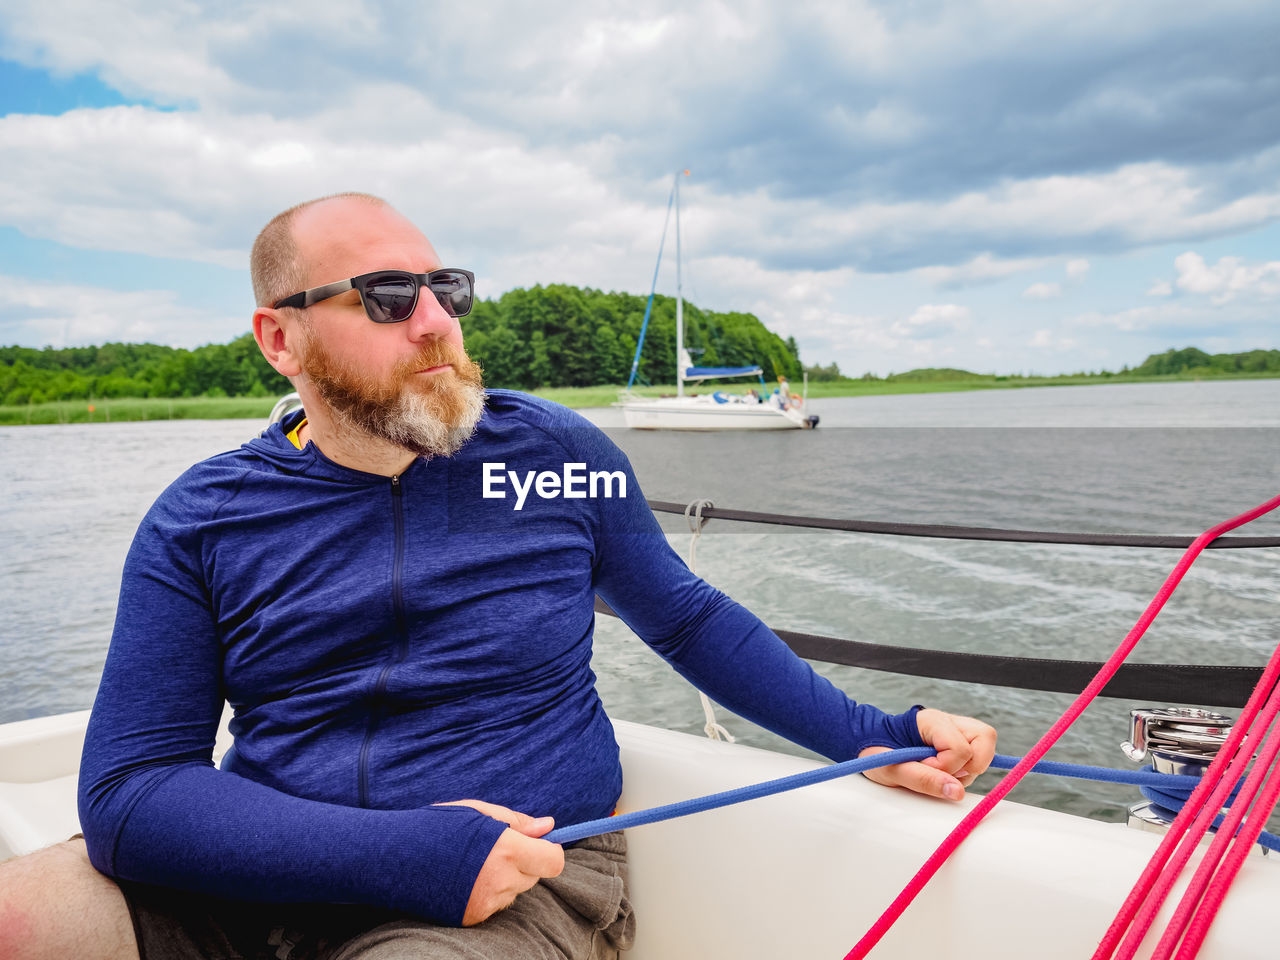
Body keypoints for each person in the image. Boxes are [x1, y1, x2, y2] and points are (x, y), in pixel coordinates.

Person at [0, 193, 996, 960]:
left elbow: (687, 623)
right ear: (280, 339)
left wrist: (871, 737)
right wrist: (389, 851)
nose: (434, 321)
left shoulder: (557, 455)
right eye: (388, 298)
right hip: (268, 871)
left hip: (520, 878)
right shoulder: (203, 518)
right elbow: (131, 794)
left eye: (447, 289)